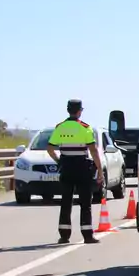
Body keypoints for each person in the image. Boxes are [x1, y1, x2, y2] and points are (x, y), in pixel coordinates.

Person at [46, 99, 102, 244]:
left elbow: (50, 149)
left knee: (66, 201)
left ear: (68, 110)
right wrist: (100, 171)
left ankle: (64, 236)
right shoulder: (85, 128)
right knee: (85, 203)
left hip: (66, 167)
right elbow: (94, 151)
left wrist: (59, 162)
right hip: (82, 168)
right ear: (79, 111)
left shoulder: (60, 127)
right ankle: (87, 235)